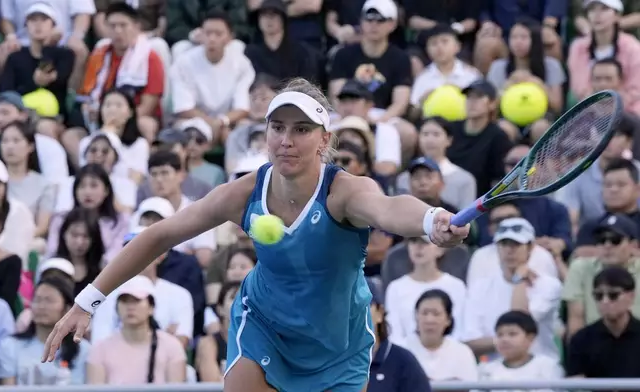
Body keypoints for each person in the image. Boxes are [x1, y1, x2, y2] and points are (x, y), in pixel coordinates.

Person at [42, 77, 468, 392]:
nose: (286, 140)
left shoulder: (344, 192)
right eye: (277, 127)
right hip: (264, 324)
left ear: (324, 139)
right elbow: (159, 235)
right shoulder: (243, 192)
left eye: (301, 129)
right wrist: (88, 300)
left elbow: (391, 209)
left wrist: (432, 221)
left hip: (340, 346)